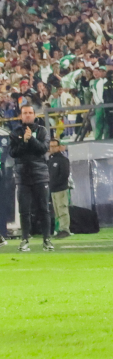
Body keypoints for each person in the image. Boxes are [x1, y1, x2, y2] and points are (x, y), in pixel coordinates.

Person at [10, 105, 52, 252]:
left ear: (34, 115)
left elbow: (43, 148)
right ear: (21, 116)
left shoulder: (42, 131)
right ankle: (25, 239)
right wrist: (25, 141)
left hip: (40, 174)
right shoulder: (15, 133)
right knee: (24, 210)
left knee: (43, 209)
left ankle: (47, 240)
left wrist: (31, 140)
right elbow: (13, 153)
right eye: (25, 113)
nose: (27, 115)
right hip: (22, 176)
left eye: (30, 113)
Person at [47, 138, 72, 239]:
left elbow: (64, 174)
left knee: (62, 209)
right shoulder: (50, 160)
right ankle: (60, 229)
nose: (52, 148)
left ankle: (65, 229)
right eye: (51, 146)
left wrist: (56, 183)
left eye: (54, 146)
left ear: (59, 147)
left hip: (61, 189)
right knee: (57, 212)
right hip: (53, 189)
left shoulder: (63, 160)